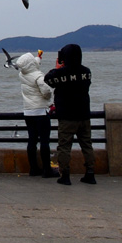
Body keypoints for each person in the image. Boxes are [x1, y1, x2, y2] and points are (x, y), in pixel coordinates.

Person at [43, 43, 96, 185]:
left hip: (66, 116)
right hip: (84, 114)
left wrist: (58, 67)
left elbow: (47, 79)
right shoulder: (86, 72)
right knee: (87, 144)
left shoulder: (60, 73)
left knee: (64, 146)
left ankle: (65, 175)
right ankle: (90, 173)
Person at [16, 50, 59, 178]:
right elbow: (46, 91)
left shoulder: (22, 75)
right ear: (31, 64)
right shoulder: (39, 76)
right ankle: (47, 170)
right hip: (40, 111)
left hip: (28, 112)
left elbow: (33, 64)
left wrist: (38, 57)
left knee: (32, 140)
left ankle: (33, 169)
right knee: (44, 141)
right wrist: (49, 99)